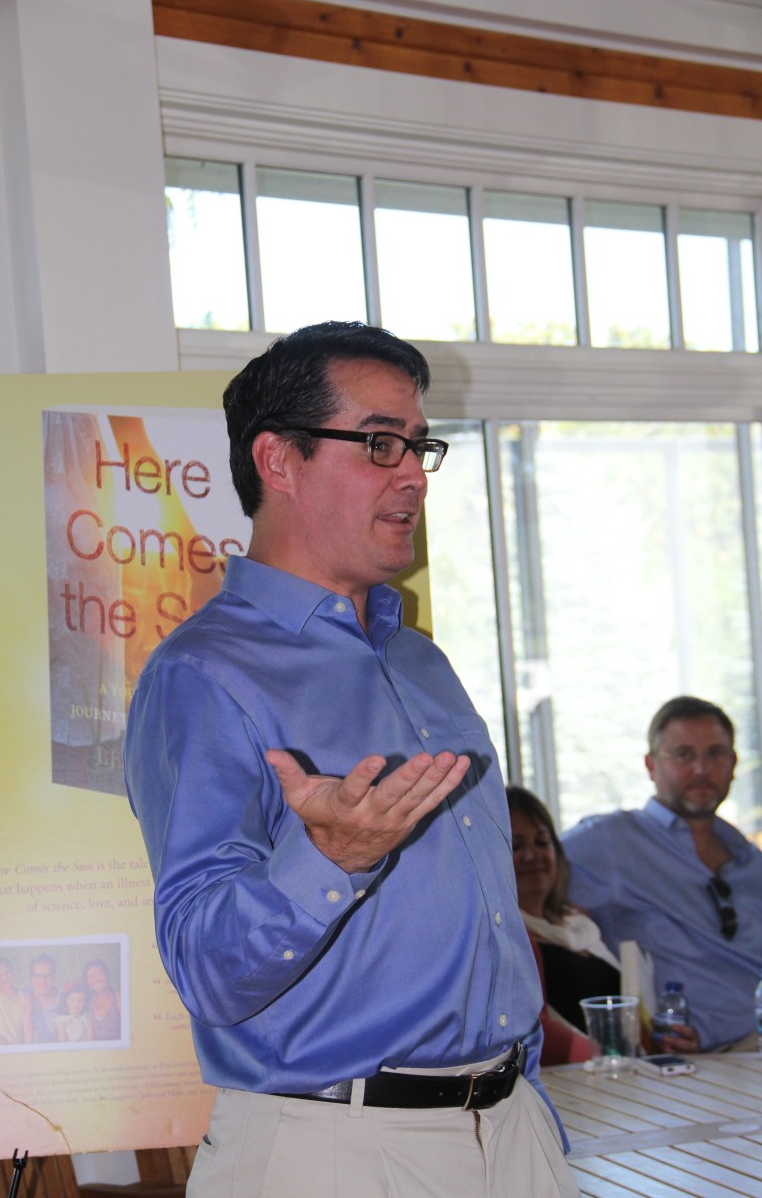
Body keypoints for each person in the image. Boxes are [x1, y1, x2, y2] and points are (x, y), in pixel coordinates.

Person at [124, 321, 578, 1198]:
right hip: (335, 1151)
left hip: (510, 1128)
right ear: (279, 460)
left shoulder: (421, 660)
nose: (413, 475)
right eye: (379, 444)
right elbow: (205, 969)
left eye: (419, 446)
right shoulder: (202, 676)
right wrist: (328, 860)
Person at [562, 695, 762, 1053]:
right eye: (683, 755)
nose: (701, 769)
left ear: (734, 763)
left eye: (715, 754)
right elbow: (524, 879)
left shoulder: (753, 862)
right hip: (709, 1056)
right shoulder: (608, 841)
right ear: (651, 765)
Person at [508, 786, 613, 1065]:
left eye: (541, 842)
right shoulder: (506, 939)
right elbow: (533, 1029)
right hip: (575, 1077)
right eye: (515, 846)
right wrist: (609, 1058)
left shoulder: (579, 923)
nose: (532, 855)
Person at [0, 957, 34, 1046]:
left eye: (7, 972)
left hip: (17, 1046)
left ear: (13, 972)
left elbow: (28, 1026)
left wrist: (29, 1047)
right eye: (0, 976)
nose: (5, 977)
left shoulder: (25, 996)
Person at [83, 959, 121, 1040]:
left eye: (99, 974)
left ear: (107, 975)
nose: (96, 979)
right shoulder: (88, 1002)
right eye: (91, 976)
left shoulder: (118, 997)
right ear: (87, 981)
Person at [27, 952, 60, 1043]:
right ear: (31, 978)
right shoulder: (21, 998)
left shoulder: (66, 1001)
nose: (43, 981)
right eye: (38, 976)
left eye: (47, 976)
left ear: (54, 977)